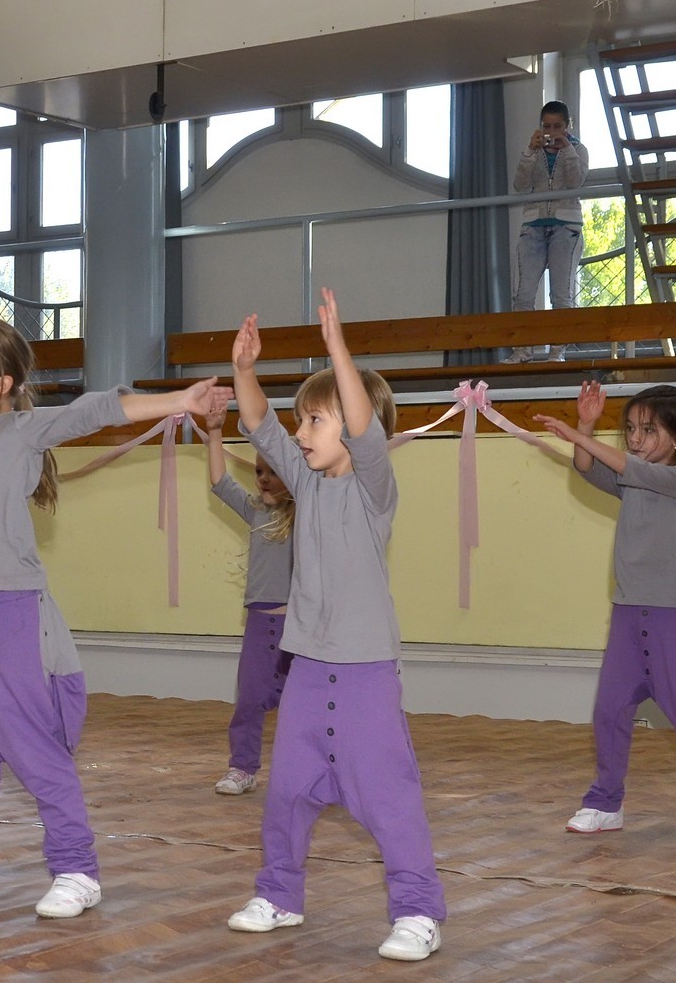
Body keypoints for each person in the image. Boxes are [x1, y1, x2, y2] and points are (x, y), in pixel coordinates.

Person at [0, 318, 230, 920]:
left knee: (33, 749)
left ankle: (77, 869)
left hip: (12, 613)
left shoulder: (24, 431)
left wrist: (182, 398)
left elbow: (99, 409)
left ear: (1, 383)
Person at [224, 290, 447, 963]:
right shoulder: (306, 480)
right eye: (302, 421)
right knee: (287, 794)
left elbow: (364, 428)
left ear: (351, 427)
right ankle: (279, 895)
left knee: (387, 798)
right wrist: (243, 371)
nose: (300, 433)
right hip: (306, 667)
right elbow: (259, 423)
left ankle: (417, 912)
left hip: (365, 673)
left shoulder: (375, 486)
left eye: (314, 421)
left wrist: (338, 351)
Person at [533, 383, 676, 848]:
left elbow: (630, 467)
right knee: (610, 710)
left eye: (648, 430)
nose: (636, 439)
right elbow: (586, 470)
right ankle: (606, 803)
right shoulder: (633, 480)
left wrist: (578, 436)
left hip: (674, 617)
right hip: (628, 613)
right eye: (630, 429)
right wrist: (585, 427)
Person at [205, 409, 295, 796]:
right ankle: (243, 767)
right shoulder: (256, 511)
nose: (263, 478)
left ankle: (308, 770)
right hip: (260, 623)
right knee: (250, 699)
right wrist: (214, 432)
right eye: (258, 471)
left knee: (302, 704)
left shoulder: (309, 514)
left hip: (299, 627)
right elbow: (219, 481)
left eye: (273, 471)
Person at [508, 99, 590, 363]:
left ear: (567, 126)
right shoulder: (533, 151)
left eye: (557, 126)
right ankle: (523, 349)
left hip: (566, 226)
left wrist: (567, 149)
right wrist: (529, 152)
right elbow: (520, 184)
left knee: (561, 293)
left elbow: (576, 182)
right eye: (546, 126)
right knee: (523, 293)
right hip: (533, 225)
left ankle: (557, 351)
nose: (551, 132)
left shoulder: (579, 150)